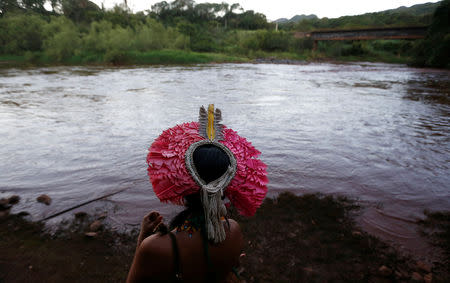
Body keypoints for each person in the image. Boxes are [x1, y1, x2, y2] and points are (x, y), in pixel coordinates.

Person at [127, 105, 268, 282]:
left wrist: (143, 236)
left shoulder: (157, 246)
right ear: (226, 185)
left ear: (182, 183)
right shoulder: (233, 230)